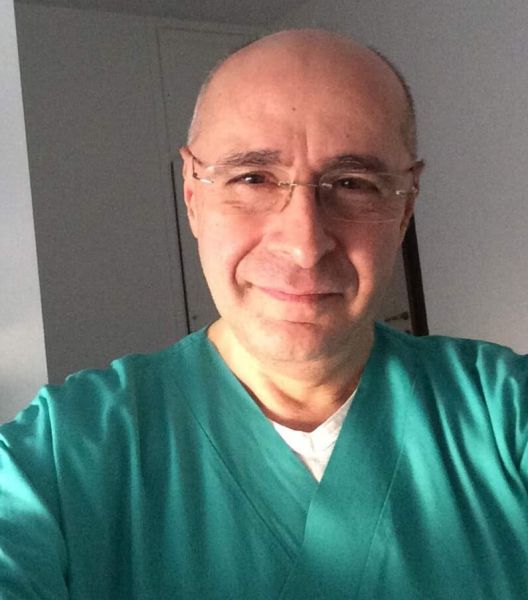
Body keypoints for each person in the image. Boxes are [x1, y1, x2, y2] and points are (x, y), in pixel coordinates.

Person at [0, 29, 527, 600]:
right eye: (252, 178)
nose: (304, 244)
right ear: (193, 195)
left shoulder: (505, 414)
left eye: (353, 184)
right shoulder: (55, 458)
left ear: (405, 209)